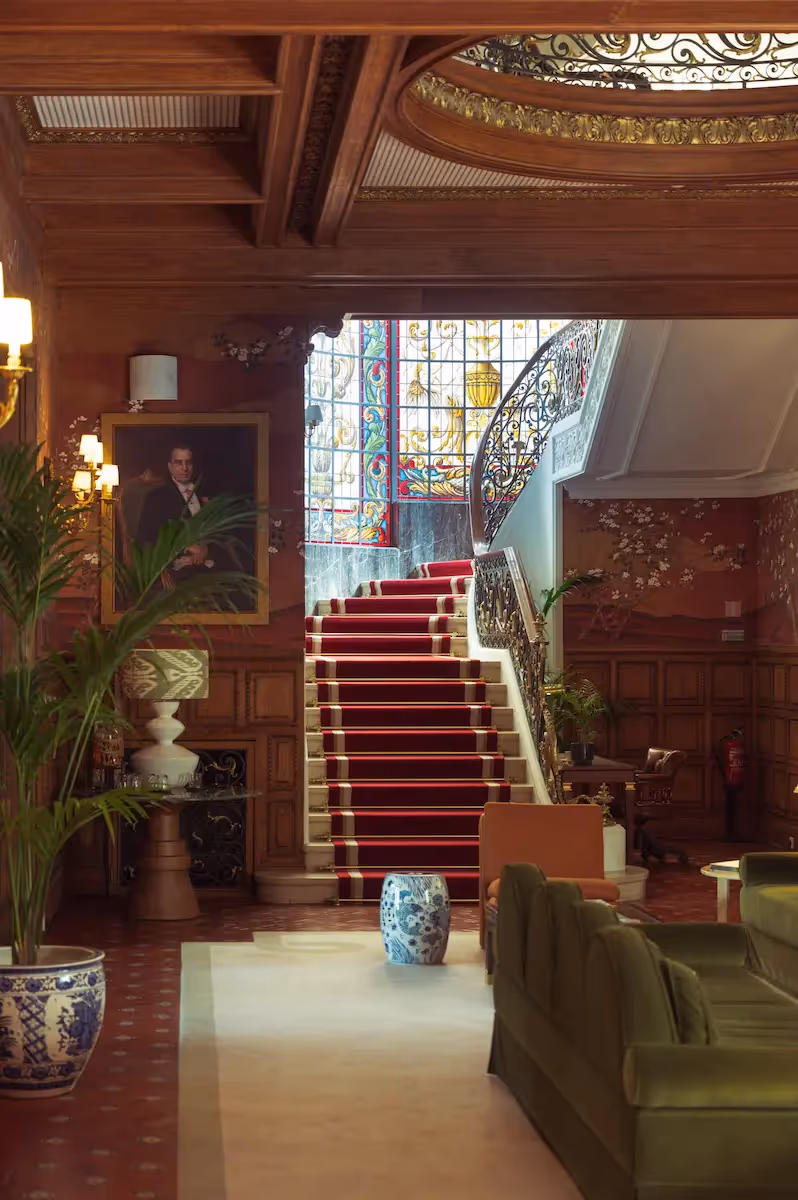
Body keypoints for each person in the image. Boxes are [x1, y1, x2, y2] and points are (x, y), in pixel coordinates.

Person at [136, 444, 216, 576]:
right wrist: (187, 548)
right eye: (179, 463)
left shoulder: (204, 492)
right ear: (170, 466)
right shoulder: (156, 497)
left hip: (208, 565)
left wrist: (205, 550)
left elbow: (218, 528)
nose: (185, 468)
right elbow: (148, 537)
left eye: (188, 463)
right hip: (172, 569)